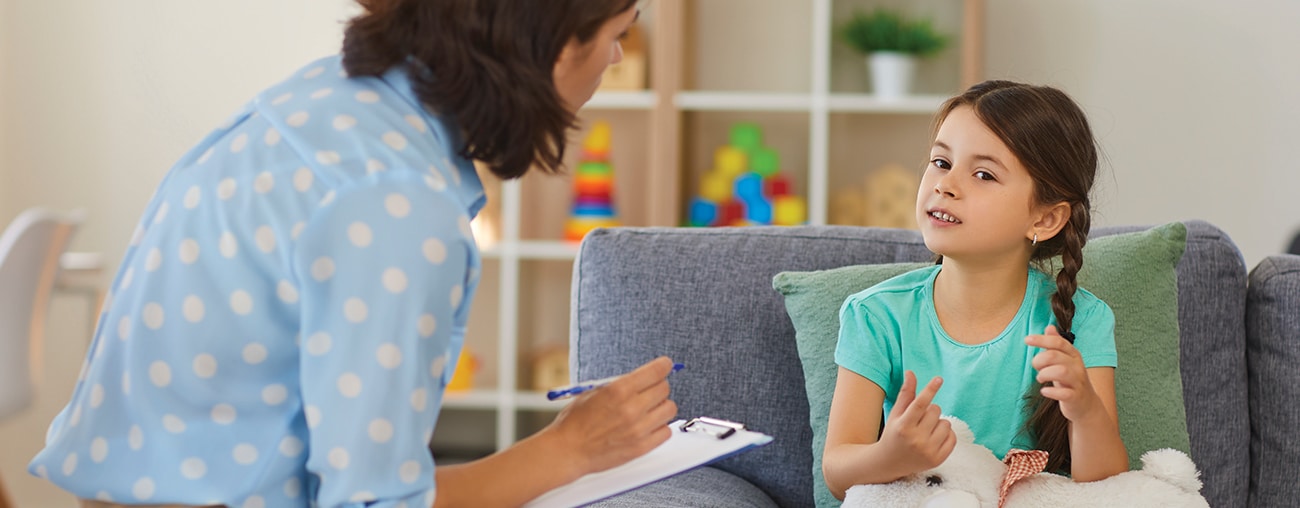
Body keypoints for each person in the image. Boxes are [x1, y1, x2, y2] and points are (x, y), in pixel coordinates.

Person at [29, 1, 680, 507]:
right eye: (618, 32)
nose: (618, 56)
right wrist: (571, 448)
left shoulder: (322, 100)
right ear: (561, 45)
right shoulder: (398, 199)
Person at [821, 80, 1129, 499]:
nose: (945, 184)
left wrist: (1086, 410)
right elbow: (837, 473)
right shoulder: (875, 315)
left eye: (983, 174)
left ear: (1045, 219)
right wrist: (891, 455)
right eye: (941, 162)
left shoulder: (1083, 321)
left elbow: (1106, 486)